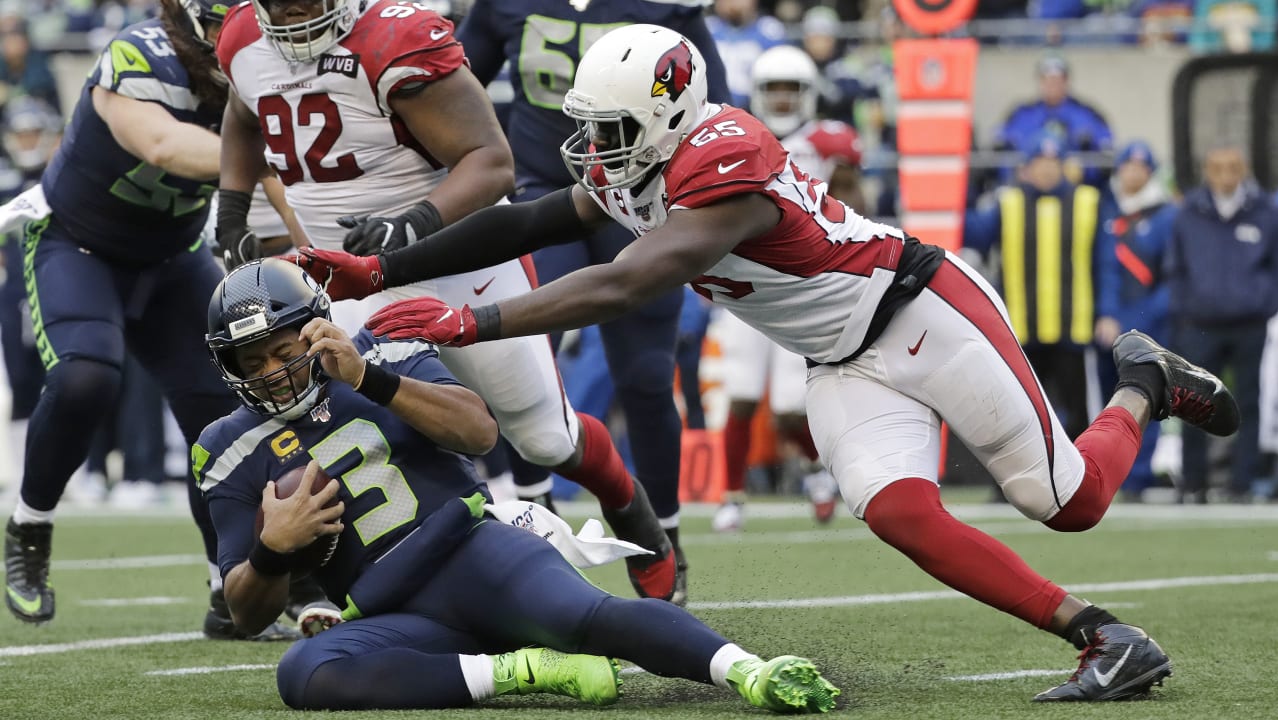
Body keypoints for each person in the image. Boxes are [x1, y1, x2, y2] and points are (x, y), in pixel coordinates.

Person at [293, 25, 1242, 702]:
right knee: (903, 514)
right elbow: (539, 217)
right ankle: (1105, 638)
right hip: (838, 358)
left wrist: (472, 326)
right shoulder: (641, 159)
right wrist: (385, 263)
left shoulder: (724, 159)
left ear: (667, 119)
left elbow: (632, 279)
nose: (592, 150)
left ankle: (1143, 383)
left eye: (611, 131)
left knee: (1066, 502)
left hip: (920, 312)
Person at [198, 258, 839, 713]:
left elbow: (477, 433)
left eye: (283, 351)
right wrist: (271, 551)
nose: (272, 373)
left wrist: (367, 379)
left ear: (315, 325)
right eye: (250, 363)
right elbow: (247, 613)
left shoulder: (380, 348)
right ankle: (523, 671)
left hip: (473, 553)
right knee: (304, 674)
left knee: (591, 617)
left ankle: (750, 671)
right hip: (390, 611)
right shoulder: (226, 447)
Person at [214, 0, 681, 603]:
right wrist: (230, 211)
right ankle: (356, 584)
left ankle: (634, 512)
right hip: (346, 280)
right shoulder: (242, 38)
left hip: (458, 262)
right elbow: (243, 114)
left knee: (543, 439)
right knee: (356, 429)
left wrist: (412, 223)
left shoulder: (393, 38)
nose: (292, 9)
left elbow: (493, 162)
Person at [1, 0, 301, 640]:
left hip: (173, 259)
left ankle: (229, 586)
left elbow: (277, 183)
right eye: (223, 19)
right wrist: (260, 149)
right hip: (78, 245)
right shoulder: (139, 53)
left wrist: (314, 245)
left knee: (224, 420)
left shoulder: (261, 64)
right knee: (86, 380)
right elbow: (163, 143)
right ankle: (29, 524)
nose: (237, 34)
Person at [455, 0, 731, 589]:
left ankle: (662, 535)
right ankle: (535, 516)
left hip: (644, 194)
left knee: (648, 377)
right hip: (542, 191)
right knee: (523, 349)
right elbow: (449, 85)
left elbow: (715, 108)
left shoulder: (667, 7)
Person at [714, 44, 864, 532]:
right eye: (773, 89)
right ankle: (731, 496)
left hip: (800, 287)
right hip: (740, 283)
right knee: (737, 394)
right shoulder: (734, 133)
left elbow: (854, 209)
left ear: (807, 93)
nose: (781, 99)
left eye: (790, 89)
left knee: (784, 409)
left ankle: (817, 470)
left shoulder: (827, 142)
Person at [965, 133, 1104, 440]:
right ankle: (1011, 486)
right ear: (1026, 168)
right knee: (1018, 412)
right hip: (1021, 327)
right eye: (1039, 163)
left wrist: (1104, 312)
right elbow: (973, 234)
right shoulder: (1009, 202)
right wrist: (965, 188)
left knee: (1077, 413)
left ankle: (1080, 485)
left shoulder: (1087, 201)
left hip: (1073, 326)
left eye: (1053, 163)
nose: (1046, 170)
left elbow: (1104, 263)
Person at [1167, 144, 1278, 502]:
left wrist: (1266, 304)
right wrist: (1185, 308)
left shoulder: (1264, 212)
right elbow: (1176, 267)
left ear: (1243, 169)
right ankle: (1194, 482)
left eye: (1233, 167)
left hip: (1249, 322)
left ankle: (1242, 483)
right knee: (1195, 402)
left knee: (1249, 401)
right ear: (1207, 171)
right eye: (1218, 168)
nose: (1226, 175)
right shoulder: (1189, 213)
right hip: (1200, 322)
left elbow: (1276, 266)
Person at [1094, 141, 1177, 501]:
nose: (1134, 173)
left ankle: (1138, 477)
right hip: (1107, 326)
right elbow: (1102, 271)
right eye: (1128, 166)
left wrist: (1136, 321)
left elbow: (1173, 279)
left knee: (1147, 402)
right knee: (1109, 404)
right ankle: (1106, 475)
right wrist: (1106, 315)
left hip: (1149, 326)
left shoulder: (1166, 215)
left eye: (1141, 168)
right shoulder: (1105, 211)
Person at [0, 96, 59, 490]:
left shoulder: (58, 178)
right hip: (12, 291)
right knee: (19, 380)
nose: (26, 141)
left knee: (58, 376)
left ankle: (65, 468)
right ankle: (20, 470)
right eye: (20, 134)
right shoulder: (6, 182)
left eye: (32, 133)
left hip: (54, 285)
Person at [995, 56, 1112, 186]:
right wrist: (1016, 171)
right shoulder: (1020, 114)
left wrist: (1084, 171)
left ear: (1067, 81)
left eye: (1058, 80)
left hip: (1076, 189)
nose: (1052, 85)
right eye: (1048, 80)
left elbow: (1104, 154)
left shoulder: (1087, 113)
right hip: (1025, 188)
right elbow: (1000, 150)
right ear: (1040, 82)